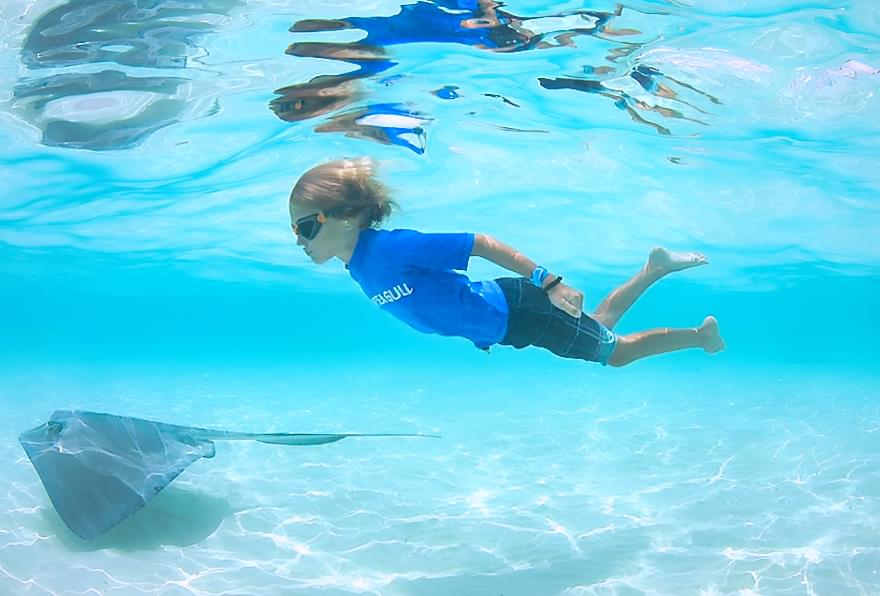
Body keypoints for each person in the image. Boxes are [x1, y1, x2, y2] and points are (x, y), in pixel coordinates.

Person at [288, 158, 725, 367]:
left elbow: (479, 242)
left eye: (306, 227)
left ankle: (701, 336)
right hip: (512, 320)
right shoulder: (358, 265)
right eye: (295, 231)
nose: (300, 240)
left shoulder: (391, 249)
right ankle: (656, 267)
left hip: (521, 310)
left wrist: (549, 282)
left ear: (346, 218)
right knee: (599, 322)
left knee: (617, 353)